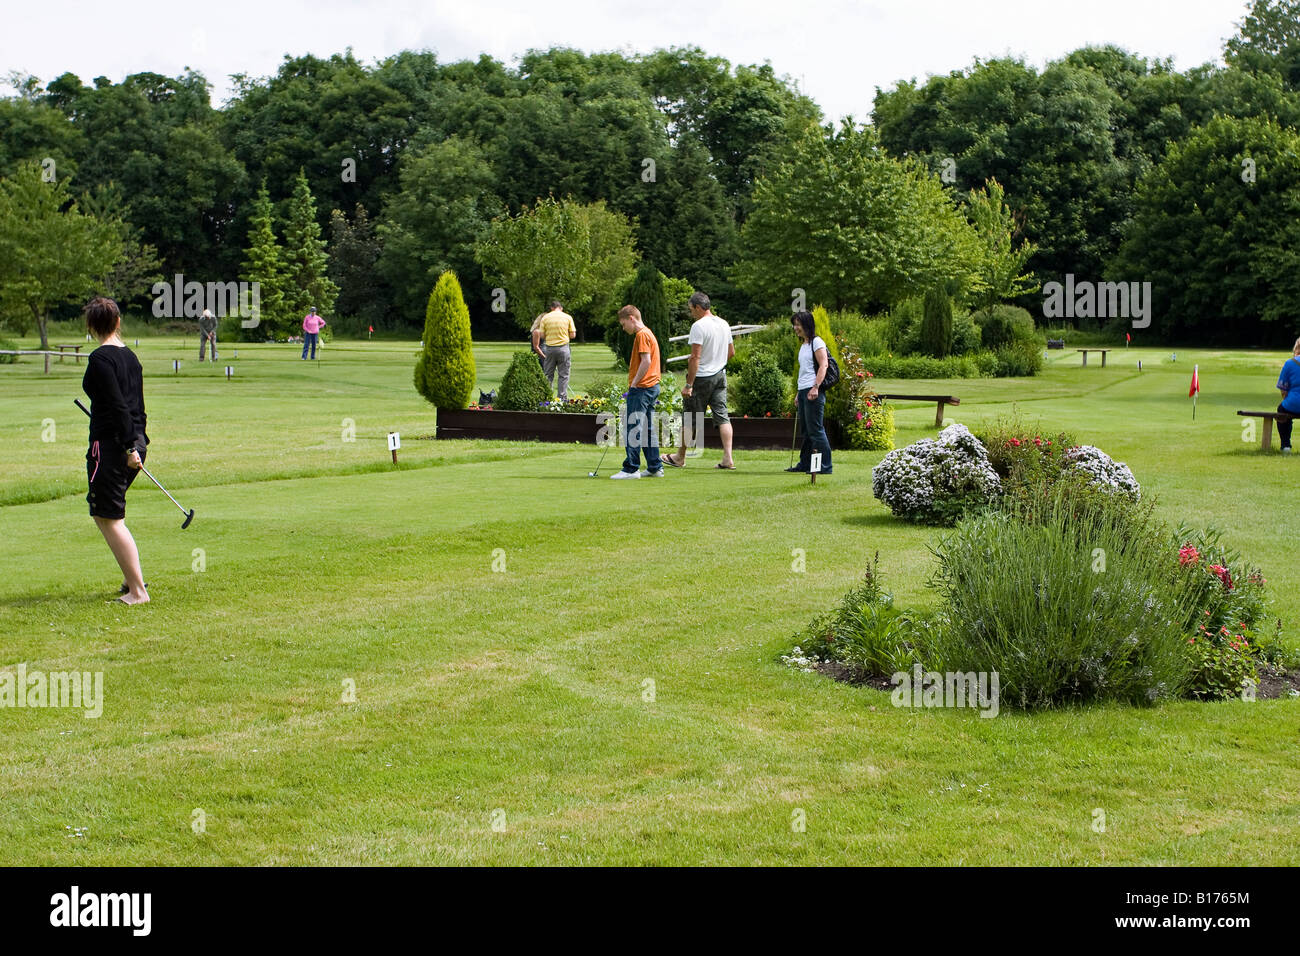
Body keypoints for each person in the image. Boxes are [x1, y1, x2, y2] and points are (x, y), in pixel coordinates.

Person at [82, 296, 150, 605]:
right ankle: (130, 577)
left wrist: (126, 447)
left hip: (112, 448)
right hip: (133, 444)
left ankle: (137, 590)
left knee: (108, 516)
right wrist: (138, 443)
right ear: (118, 322)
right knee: (109, 512)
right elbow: (136, 409)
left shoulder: (100, 359)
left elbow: (120, 406)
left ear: (91, 326)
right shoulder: (131, 357)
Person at [664, 292, 735, 469]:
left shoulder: (698, 326)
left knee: (690, 419)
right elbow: (731, 352)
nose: (691, 314)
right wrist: (718, 363)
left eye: (691, 310)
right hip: (720, 375)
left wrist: (689, 384)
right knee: (723, 417)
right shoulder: (724, 324)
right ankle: (728, 458)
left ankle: (680, 457)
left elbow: (695, 357)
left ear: (697, 307)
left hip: (702, 377)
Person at [611, 304, 663, 479]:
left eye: (623, 323)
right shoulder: (648, 333)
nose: (623, 327)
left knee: (632, 426)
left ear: (631, 318)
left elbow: (646, 361)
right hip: (652, 386)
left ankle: (631, 469)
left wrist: (634, 383)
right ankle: (655, 467)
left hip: (642, 388)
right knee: (647, 428)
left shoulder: (641, 335)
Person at [787, 310, 832, 475]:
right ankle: (805, 464)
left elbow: (824, 365)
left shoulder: (817, 342)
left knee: (816, 429)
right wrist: (799, 393)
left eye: (798, 324)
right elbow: (804, 371)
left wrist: (815, 387)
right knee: (805, 430)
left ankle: (824, 466)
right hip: (804, 390)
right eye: (795, 324)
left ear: (807, 325)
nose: (795, 328)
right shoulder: (804, 345)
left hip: (814, 390)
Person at [535, 300, 577, 400]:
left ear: (551, 308)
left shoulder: (545, 318)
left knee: (548, 374)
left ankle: (547, 398)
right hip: (563, 348)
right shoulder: (567, 317)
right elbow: (573, 335)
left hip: (549, 348)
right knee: (563, 374)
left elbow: (542, 335)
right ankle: (562, 398)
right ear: (561, 308)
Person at [1277, 336, 1300, 453]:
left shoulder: (1290, 363)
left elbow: (1283, 389)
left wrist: (1287, 399)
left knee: (1281, 411)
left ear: (1296, 348)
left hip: (1293, 404)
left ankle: (1286, 446)